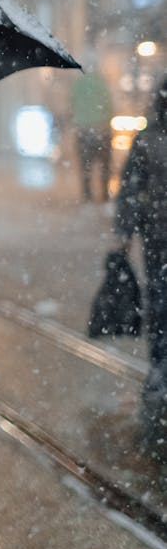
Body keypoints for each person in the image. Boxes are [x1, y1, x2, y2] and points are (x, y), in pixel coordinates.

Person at [115, 73, 167, 458]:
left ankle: (159, 370)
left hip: (158, 238)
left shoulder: (148, 140)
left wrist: (125, 231)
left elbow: (131, 188)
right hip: (158, 236)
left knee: (160, 302)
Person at [69, 66, 113, 202]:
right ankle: (104, 195)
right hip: (102, 129)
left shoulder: (78, 84)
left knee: (85, 166)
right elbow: (109, 105)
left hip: (83, 130)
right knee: (104, 166)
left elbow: (72, 104)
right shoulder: (102, 83)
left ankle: (87, 195)